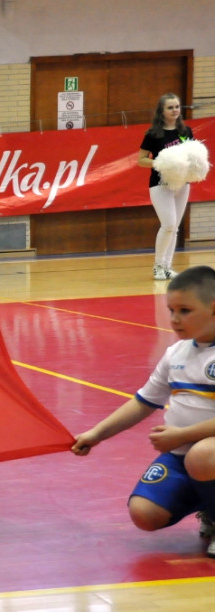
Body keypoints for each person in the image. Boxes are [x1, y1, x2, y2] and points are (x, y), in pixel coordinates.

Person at [72, 266, 215, 556]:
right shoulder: (176, 354)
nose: (174, 319)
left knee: (202, 455)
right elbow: (143, 401)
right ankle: (208, 505)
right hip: (182, 456)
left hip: (203, 454)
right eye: (171, 309)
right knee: (144, 513)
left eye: (185, 310)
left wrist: (183, 435)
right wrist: (97, 434)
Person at [138, 93, 194, 281]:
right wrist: (162, 163)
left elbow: (192, 155)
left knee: (175, 227)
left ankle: (167, 267)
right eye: (170, 107)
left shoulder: (186, 131)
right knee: (168, 224)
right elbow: (141, 160)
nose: (175, 110)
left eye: (177, 106)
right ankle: (158, 266)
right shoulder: (153, 134)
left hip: (182, 183)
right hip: (160, 184)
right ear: (161, 111)